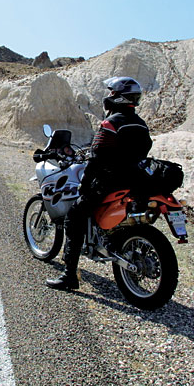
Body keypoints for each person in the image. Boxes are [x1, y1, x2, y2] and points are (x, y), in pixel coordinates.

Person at [46, 76, 153, 290]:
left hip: (110, 182)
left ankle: (69, 275)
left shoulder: (110, 124)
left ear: (119, 97)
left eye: (112, 93)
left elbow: (96, 159)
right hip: (134, 180)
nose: (109, 96)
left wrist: (84, 185)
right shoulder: (140, 124)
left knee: (74, 217)